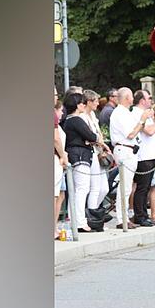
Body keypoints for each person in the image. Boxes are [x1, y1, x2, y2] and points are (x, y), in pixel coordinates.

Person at [109, 87, 153, 229]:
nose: (133, 99)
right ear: (127, 98)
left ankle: (124, 217)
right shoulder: (119, 113)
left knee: (127, 187)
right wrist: (142, 120)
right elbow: (131, 134)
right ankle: (122, 219)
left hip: (130, 150)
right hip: (124, 150)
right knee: (125, 187)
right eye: (131, 96)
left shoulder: (125, 113)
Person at [61, 91, 97, 232]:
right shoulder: (76, 120)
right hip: (80, 155)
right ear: (77, 105)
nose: (84, 105)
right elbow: (92, 136)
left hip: (75, 154)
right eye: (82, 103)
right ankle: (80, 221)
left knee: (76, 189)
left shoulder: (68, 120)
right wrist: (91, 139)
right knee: (82, 189)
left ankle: (74, 220)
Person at [134, 89, 155, 227]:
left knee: (146, 187)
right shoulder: (138, 114)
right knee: (142, 188)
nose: (151, 100)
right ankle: (140, 216)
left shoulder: (147, 114)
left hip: (151, 154)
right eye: (149, 98)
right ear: (142, 100)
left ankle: (143, 215)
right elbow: (149, 131)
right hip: (143, 155)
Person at [81, 90, 112, 222]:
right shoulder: (83, 116)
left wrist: (103, 144)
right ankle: (92, 217)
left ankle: (94, 212)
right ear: (88, 102)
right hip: (91, 151)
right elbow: (90, 136)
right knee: (95, 187)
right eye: (95, 101)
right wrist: (99, 142)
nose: (98, 103)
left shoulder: (93, 115)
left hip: (98, 151)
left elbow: (98, 134)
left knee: (104, 188)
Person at [53, 88, 69, 239]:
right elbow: (56, 138)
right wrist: (63, 156)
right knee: (54, 194)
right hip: (55, 157)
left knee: (59, 194)